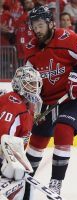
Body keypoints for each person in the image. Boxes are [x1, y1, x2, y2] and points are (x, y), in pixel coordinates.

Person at [22, 5, 77, 199]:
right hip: (48, 101)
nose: (37, 29)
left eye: (41, 25)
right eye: (34, 26)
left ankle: (56, 183)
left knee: (63, 129)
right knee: (36, 142)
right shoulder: (31, 48)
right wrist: (29, 101)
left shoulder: (67, 38)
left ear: (51, 23)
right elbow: (28, 78)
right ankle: (25, 181)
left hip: (75, 99)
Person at [0, 66, 43, 199]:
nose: (34, 88)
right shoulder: (17, 108)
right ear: (19, 84)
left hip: (5, 157)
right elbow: (3, 136)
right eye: (30, 84)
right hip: (3, 157)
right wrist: (11, 163)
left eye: (36, 84)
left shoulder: (25, 106)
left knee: (22, 187)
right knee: (21, 191)